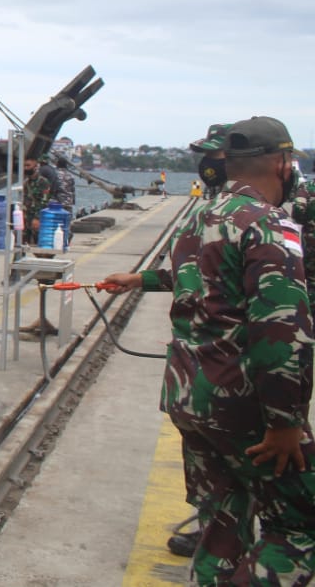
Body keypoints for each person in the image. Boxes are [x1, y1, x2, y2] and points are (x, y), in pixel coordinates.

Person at [105, 116, 315, 583]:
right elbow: (281, 333)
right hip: (243, 401)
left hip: (188, 395)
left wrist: (141, 278)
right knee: (300, 526)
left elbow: (198, 282)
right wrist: (285, 422)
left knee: (221, 521)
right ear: (282, 163)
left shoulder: (201, 215)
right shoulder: (269, 223)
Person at [18, 155, 57, 339]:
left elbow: (44, 202)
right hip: (27, 229)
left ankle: (43, 319)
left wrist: (37, 219)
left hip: (40, 228)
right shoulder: (25, 183)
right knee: (37, 271)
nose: (26, 166)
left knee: (44, 269)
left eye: (29, 163)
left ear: (37, 164)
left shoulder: (42, 182)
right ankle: (41, 318)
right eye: (24, 164)